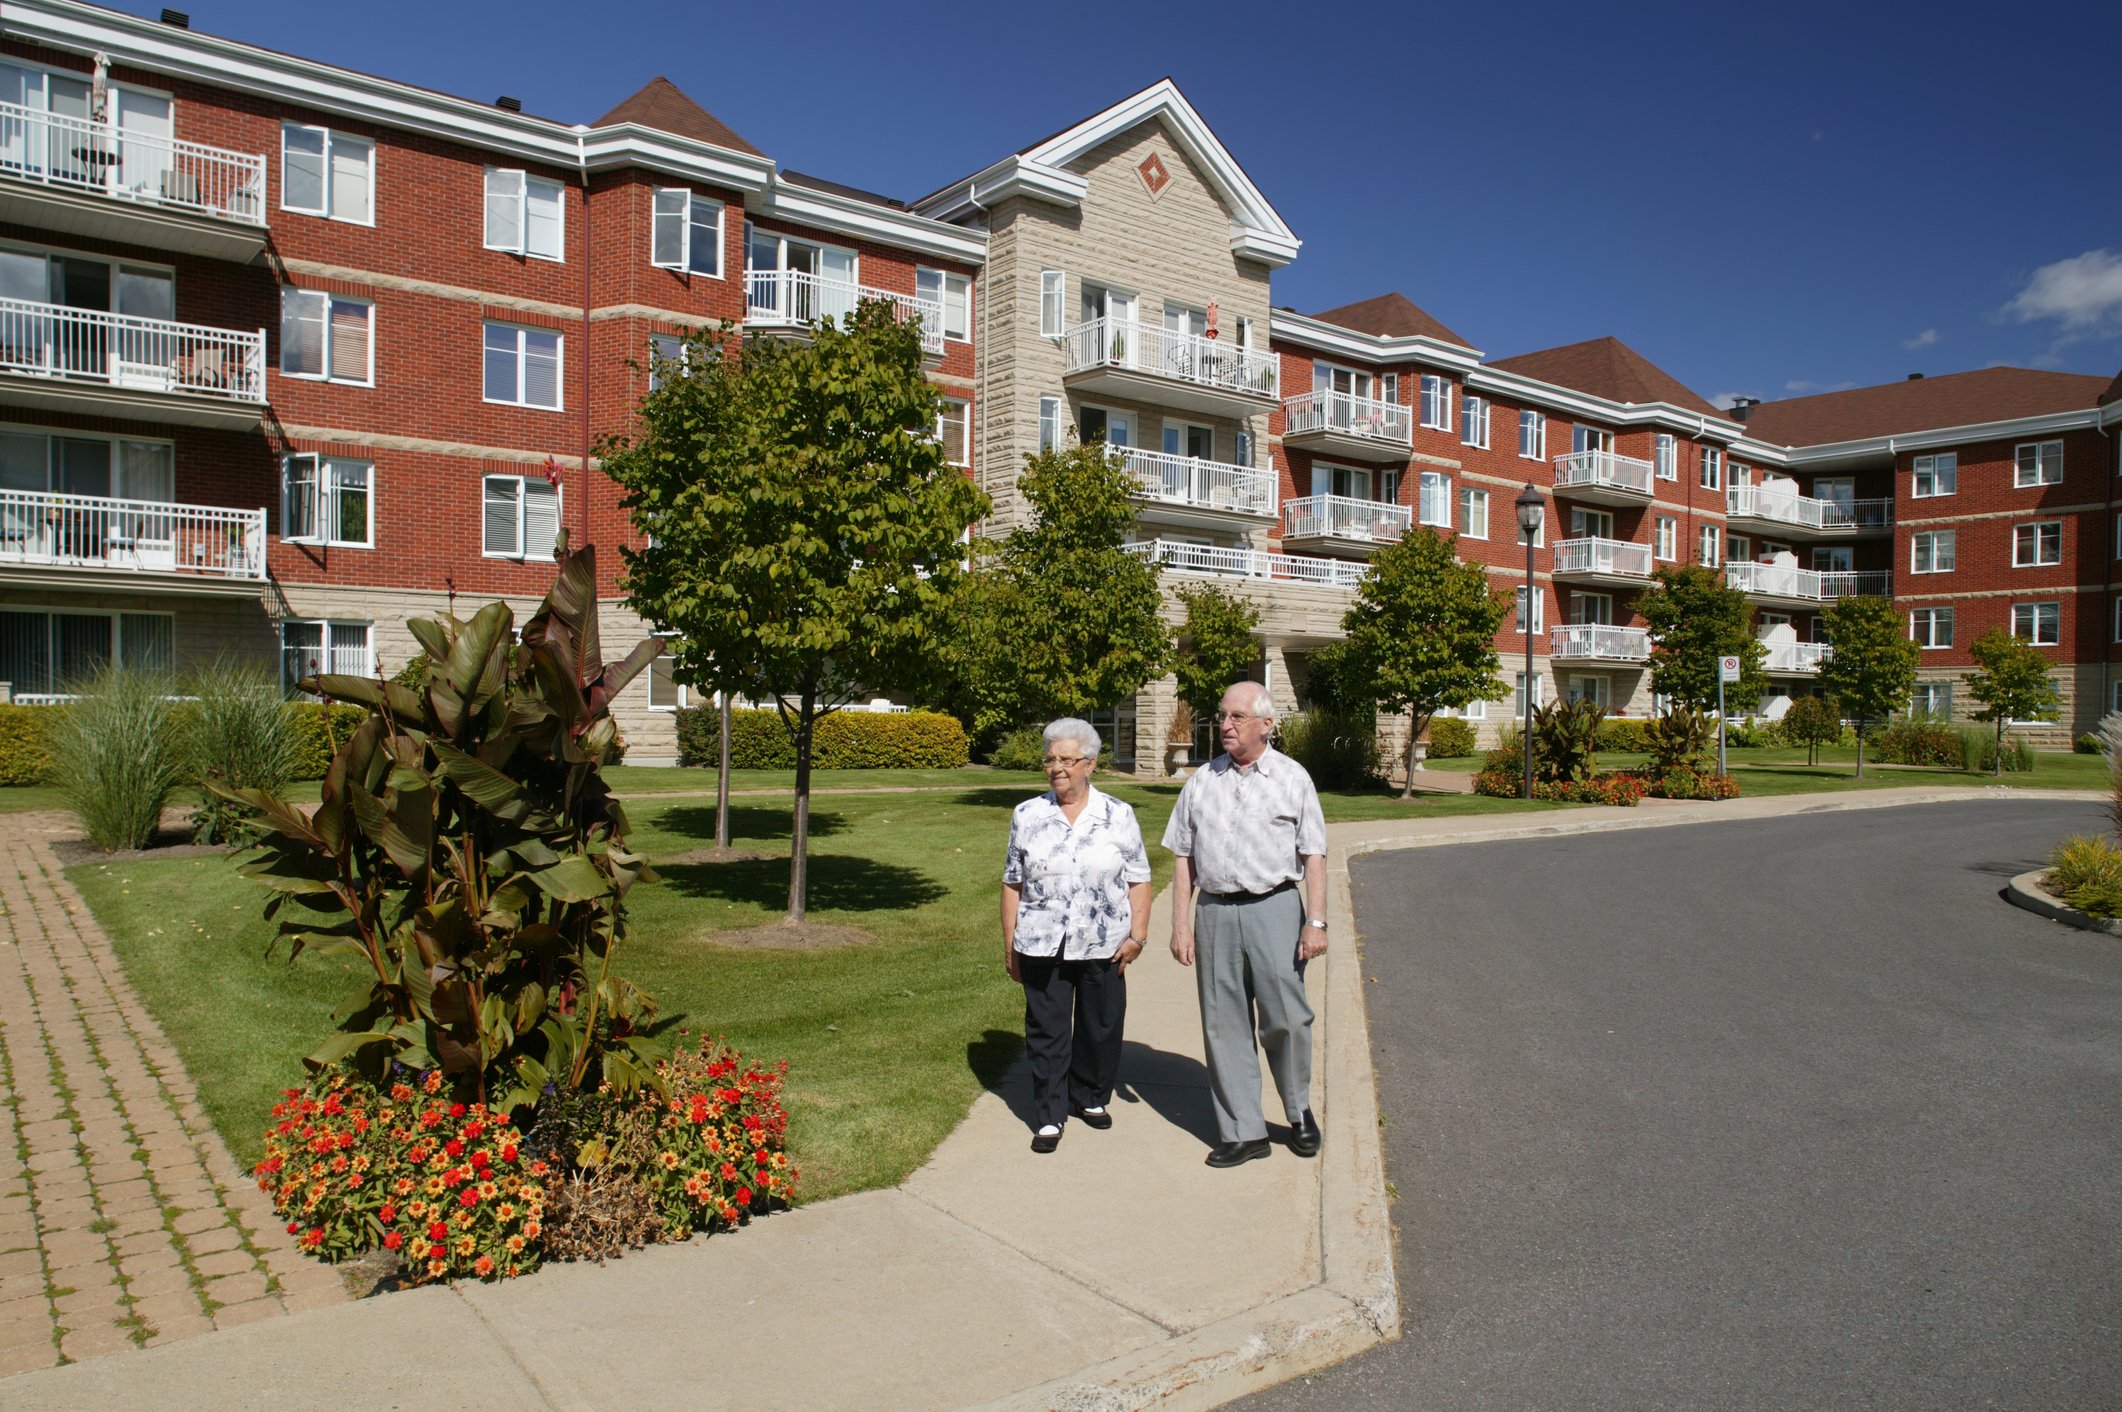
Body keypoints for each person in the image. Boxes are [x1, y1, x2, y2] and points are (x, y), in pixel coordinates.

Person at [1163, 681, 1329, 1168]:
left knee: (1287, 1018)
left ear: (1266, 725)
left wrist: (1315, 922)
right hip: (1214, 910)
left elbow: (1313, 854)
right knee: (1222, 1021)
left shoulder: (1293, 778)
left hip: (1274, 907)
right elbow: (1183, 857)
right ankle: (1243, 1131)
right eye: (1222, 716)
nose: (1225, 725)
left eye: (1237, 717)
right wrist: (1181, 925)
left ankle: (1298, 1111)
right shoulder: (1202, 780)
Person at [1001, 718, 1154, 1154]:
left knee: (1101, 1026)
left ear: (1089, 763)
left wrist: (1137, 935)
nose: (1056, 768)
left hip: (1104, 941)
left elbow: (1139, 879)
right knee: (1047, 1030)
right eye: (1050, 759)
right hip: (1041, 941)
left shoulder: (1118, 815)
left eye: (1066, 760)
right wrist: (1010, 944)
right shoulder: (1028, 815)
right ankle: (1049, 1114)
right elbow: (1013, 883)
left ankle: (1089, 1096)